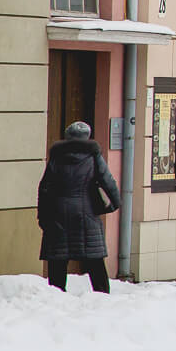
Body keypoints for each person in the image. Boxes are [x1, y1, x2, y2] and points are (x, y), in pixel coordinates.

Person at [37, 122, 120, 293]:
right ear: (87, 137)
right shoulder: (93, 156)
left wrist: (43, 216)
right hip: (86, 211)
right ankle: (102, 295)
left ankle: (56, 295)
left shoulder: (56, 157)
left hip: (58, 212)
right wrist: (115, 203)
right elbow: (107, 180)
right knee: (94, 258)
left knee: (58, 258)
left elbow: (44, 188)